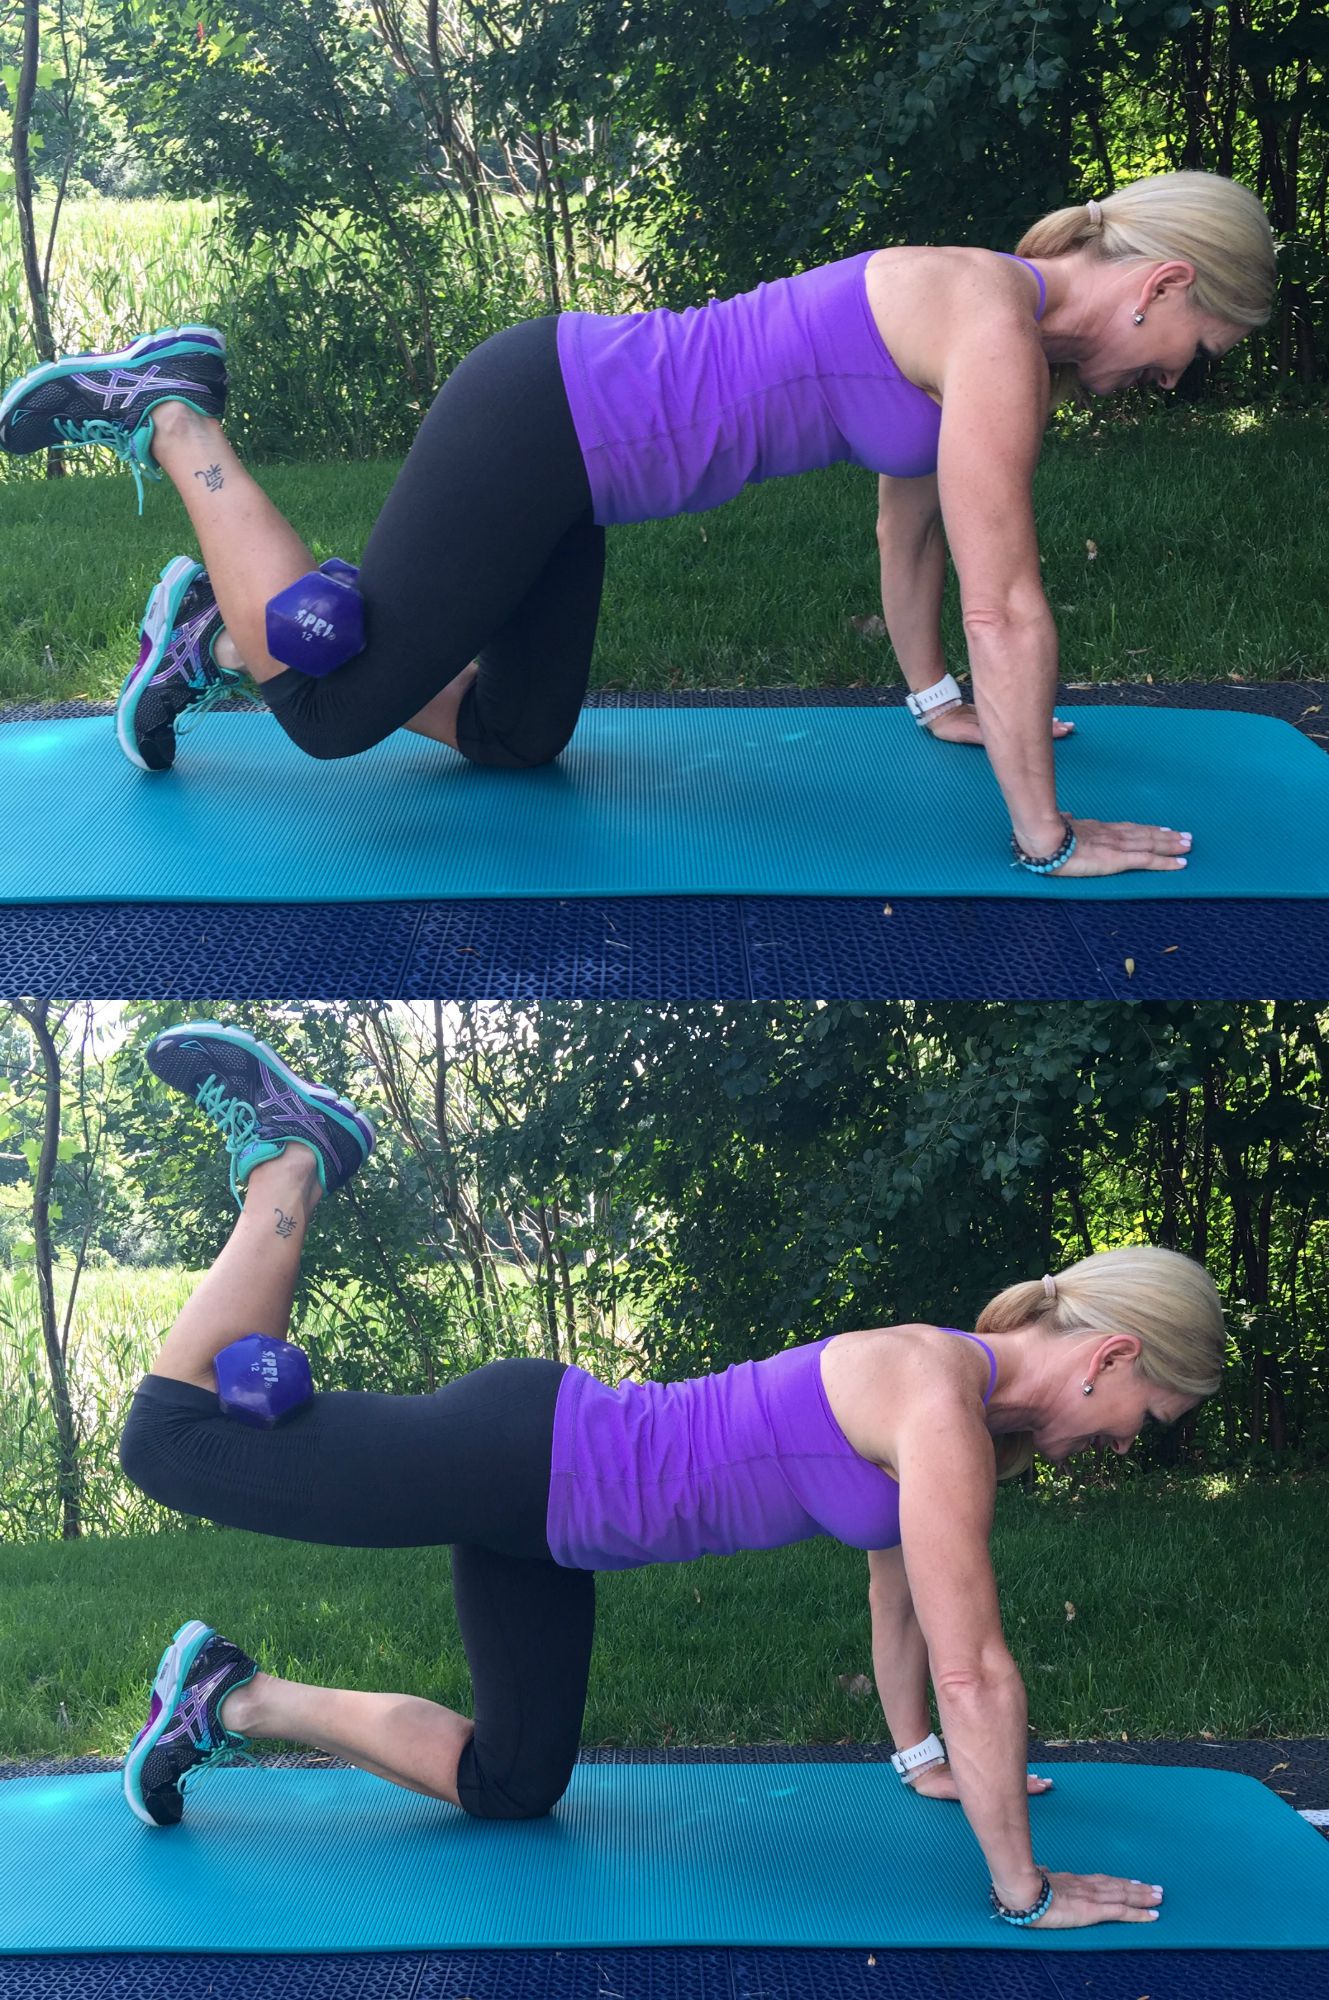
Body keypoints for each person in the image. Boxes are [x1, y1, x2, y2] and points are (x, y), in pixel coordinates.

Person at [117, 1021, 1225, 1931]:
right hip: (527, 1457)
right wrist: (1024, 1890)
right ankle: (292, 1158)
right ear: (1113, 1356)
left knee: (515, 1784)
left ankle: (225, 1691)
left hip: (549, 1525)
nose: (1132, 1441)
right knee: (167, 1442)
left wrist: (923, 1755)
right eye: (1149, 1418)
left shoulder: (958, 1412)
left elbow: (907, 1608)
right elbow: (980, 1669)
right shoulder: (935, 1398)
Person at [1, 173, 1274, 877]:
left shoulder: (986, 319)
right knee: (332, 715)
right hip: (544, 415)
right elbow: (1012, 602)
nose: (1173, 378)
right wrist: (1045, 838)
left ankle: (244, 629)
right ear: (1162, 283)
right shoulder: (992, 328)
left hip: (581, 471)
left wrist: (934, 694)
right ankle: (179, 427)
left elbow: (915, 538)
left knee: (520, 734)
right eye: (1191, 351)